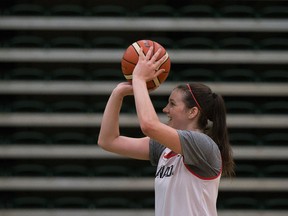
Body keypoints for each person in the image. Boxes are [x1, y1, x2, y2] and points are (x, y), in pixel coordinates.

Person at [98, 47, 235, 216]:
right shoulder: (165, 148)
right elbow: (108, 141)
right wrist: (118, 93)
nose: (165, 109)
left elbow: (149, 125)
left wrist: (139, 79)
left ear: (192, 112)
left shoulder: (202, 144)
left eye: (172, 104)